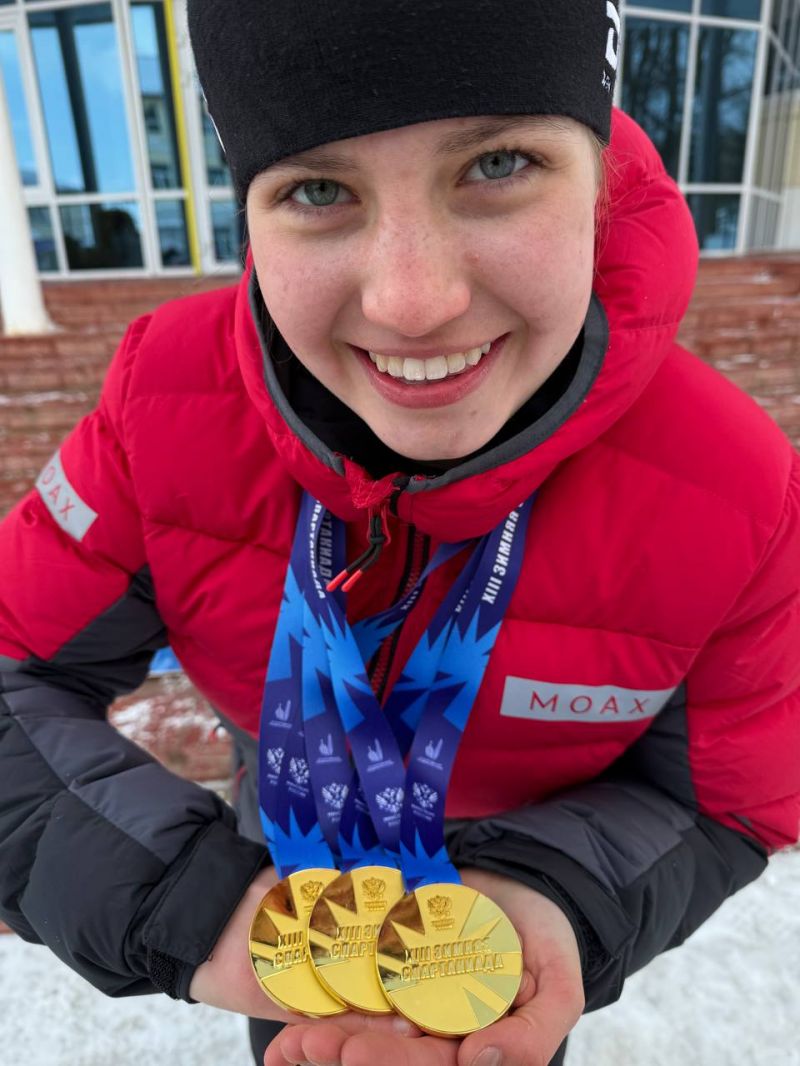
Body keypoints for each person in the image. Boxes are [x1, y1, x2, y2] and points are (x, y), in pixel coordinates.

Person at [0, 2, 798, 1065]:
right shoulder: (165, 403)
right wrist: (207, 908)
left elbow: (728, 797)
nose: (413, 302)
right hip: (287, 895)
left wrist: (555, 900)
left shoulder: (741, 487)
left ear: (601, 177)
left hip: (503, 954)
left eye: (499, 165)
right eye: (318, 190)